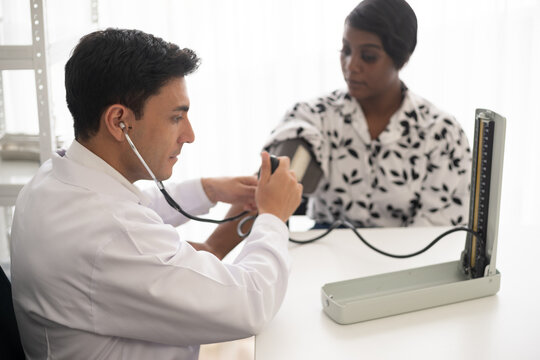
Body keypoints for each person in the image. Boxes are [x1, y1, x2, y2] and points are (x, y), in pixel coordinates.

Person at [10, 28, 302, 359]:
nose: (189, 135)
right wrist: (274, 217)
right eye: (176, 117)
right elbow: (252, 305)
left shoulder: (54, 180)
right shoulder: (110, 234)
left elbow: (135, 210)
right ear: (119, 121)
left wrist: (210, 190)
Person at [264, 0, 472, 228]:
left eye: (368, 56)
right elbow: (263, 195)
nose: (351, 65)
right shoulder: (314, 117)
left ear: (402, 58)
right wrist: (217, 253)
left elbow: (437, 235)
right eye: (346, 51)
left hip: (409, 260)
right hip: (325, 258)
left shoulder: (442, 134)